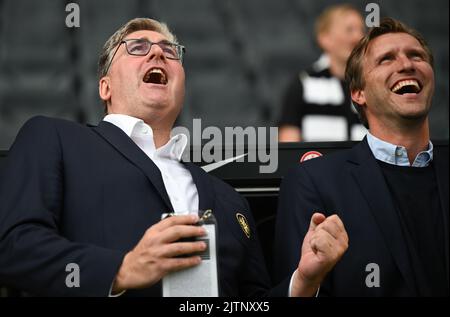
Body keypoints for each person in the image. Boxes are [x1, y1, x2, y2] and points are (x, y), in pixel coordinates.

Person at [0, 18, 348, 297]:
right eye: (137, 47)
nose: (158, 54)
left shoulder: (230, 200)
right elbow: (14, 247)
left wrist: (302, 283)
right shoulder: (55, 138)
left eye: (170, 51)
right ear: (104, 87)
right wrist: (121, 269)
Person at [274, 17, 449, 296]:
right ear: (358, 93)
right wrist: (307, 282)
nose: (407, 64)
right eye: (386, 59)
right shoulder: (314, 181)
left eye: (416, 55)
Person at [278, 4, 366, 142]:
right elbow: (288, 146)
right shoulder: (304, 82)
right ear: (325, 39)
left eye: (361, 30)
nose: (358, 37)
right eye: (349, 30)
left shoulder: (371, 83)